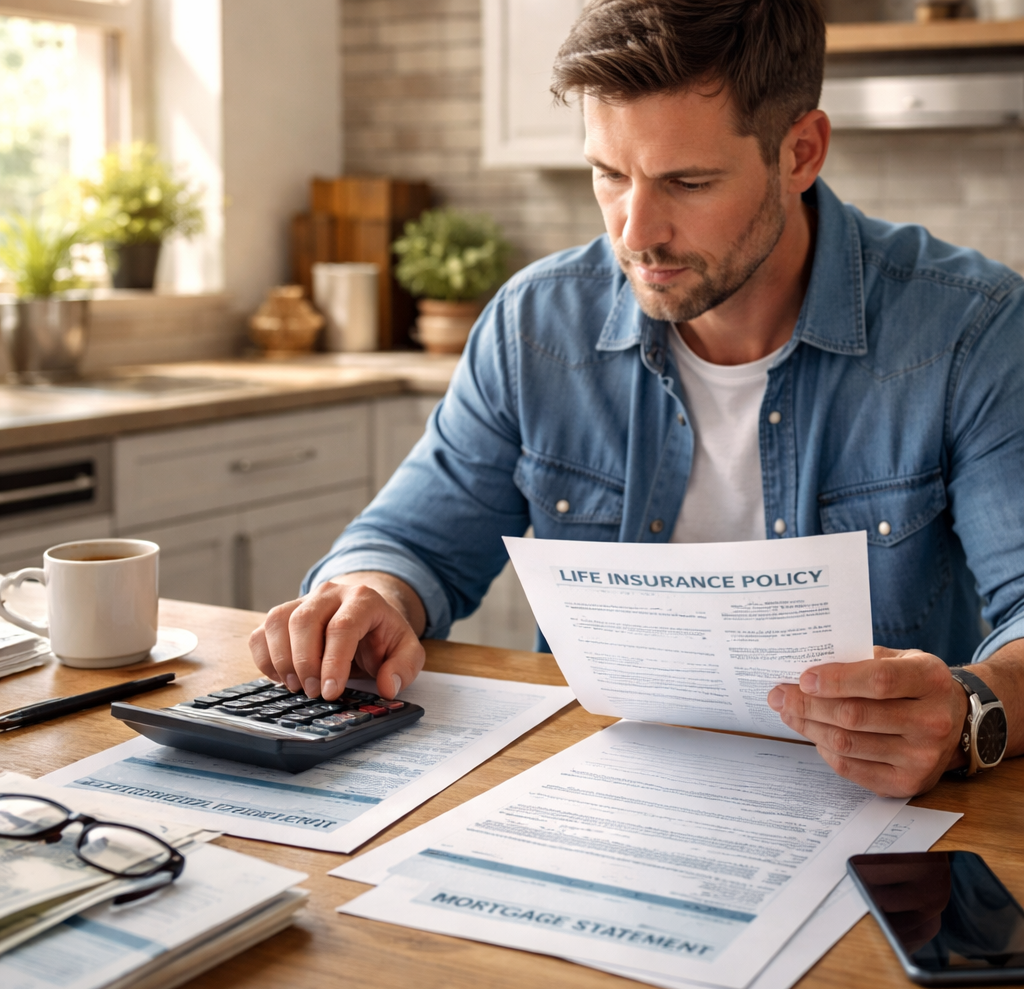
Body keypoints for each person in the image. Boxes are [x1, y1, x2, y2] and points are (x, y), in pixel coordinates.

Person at [250, 0, 1023, 799]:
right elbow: (412, 542)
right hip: (606, 801)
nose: (636, 230)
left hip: (875, 820)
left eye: (686, 182)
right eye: (609, 175)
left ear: (801, 152)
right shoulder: (536, 326)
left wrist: (974, 708)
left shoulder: (971, 330)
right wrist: (368, 598)